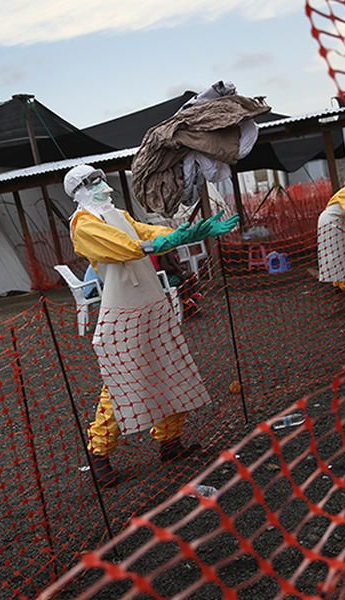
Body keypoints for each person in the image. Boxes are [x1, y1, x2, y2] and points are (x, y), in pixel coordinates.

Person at [64, 164, 239, 487]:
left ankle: (170, 443)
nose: (102, 185)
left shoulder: (117, 214)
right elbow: (123, 247)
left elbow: (145, 232)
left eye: (101, 178)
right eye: (92, 181)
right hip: (123, 310)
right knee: (121, 383)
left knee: (172, 370)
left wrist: (183, 234)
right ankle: (99, 452)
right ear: (79, 190)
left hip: (152, 303)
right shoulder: (83, 225)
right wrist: (165, 242)